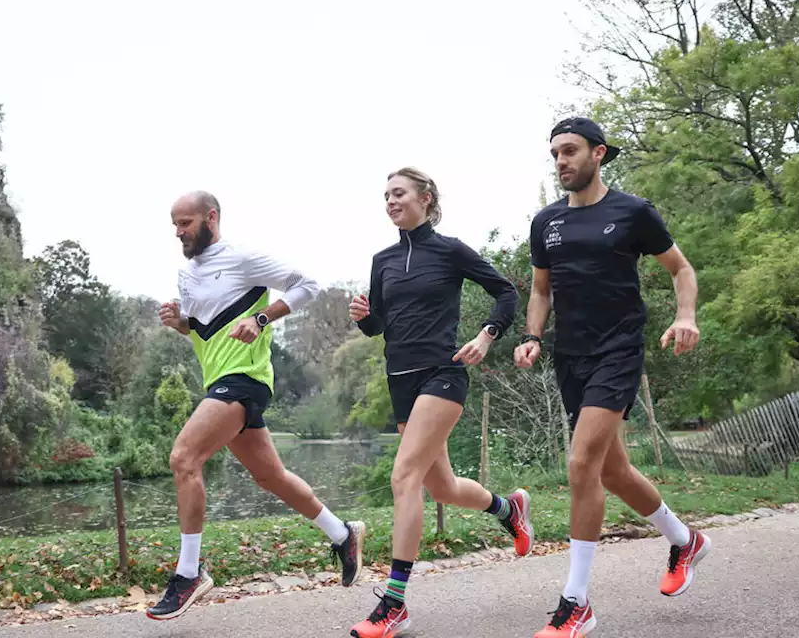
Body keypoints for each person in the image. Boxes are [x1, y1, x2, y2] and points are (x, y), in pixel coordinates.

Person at [515, 117, 710, 638]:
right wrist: (533, 335)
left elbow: (681, 269)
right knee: (612, 471)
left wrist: (685, 315)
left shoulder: (632, 212)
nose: (561, 160)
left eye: (571, 150)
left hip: (618, 347)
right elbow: (541, 290)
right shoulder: (546, 222)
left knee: (581, 464)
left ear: (598, 154)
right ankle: (684, 540)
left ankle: (575, 604)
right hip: (571, 355)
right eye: (554, 152)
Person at [146, 190, 366, 621]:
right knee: (271, 477)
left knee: (184, 457)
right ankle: (342, 535)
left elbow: (308, 285)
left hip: (246, 380)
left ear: (211, 217)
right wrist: (180, 324)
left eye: (186, 223)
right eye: (174, 224)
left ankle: (189, 572)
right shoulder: (186, 274)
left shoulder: (244, 258)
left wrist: (262, 318)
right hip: (218, 380)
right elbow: (201, 330)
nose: (178, 232)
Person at [346, 168, 534, 638]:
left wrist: (487, 335)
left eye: (399, 193)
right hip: (400, 380)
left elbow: (506, 292)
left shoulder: (450, 251)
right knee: (444, 487)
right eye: (385, 195)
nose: (390, 201)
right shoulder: (382, 259)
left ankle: (393, 604)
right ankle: (508, 511)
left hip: (442, 372)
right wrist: (364, 320)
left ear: (425, 199)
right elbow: (382, 326)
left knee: (403, 477)